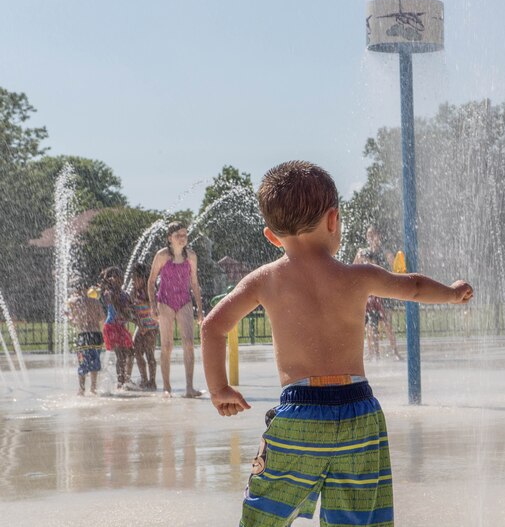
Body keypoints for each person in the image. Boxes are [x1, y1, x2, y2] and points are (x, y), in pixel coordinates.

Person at [202, 160, 473, 527]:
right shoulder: (358, 276)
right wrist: (452, 293)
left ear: (272, 236)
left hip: (300, 414)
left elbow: (213, 327)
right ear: (333, 220)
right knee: (357, 519)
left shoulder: (265, 280)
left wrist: (219, 389)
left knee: (263, 517)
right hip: (359, 413)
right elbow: (412, 286)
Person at [148, 221, 204, 398]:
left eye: (185, 234)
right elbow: (151, 281)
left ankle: (189, 388)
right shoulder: (162, 255)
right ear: (169, 238)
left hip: (184, 301)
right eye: (178, 235)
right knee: (167, 346)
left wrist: (200, 309)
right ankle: (167, 388)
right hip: (165, 302)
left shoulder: (191, 256)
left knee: (189, 344)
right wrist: (152, 305)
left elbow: (194, 283)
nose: (182, 238)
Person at [353, 226, 402, 360]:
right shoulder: (363, 252)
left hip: (383, 293)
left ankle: (395, 352)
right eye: (369, 235)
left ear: (378, 236)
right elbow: (353, 267)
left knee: (387, 323)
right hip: (371, 294)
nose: (371, 238)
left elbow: (393, 267)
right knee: (371, 325)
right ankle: (373, 353)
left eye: (373, 234)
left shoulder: (384, 252)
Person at [99, 266, 135, 390]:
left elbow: (130, 309)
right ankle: (120, 382)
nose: (117, 279)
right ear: (110, 280)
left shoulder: (125, 294)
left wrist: (132, 312)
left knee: (130, 352)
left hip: (120, 326)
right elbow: (116, 305)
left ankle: (125, 378)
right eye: (114, 277)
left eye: (119, 277)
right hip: (112, 326)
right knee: (120, 355)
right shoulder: (109, 293)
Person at [66, 280, 105, 395]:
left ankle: (82, 389)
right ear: (87, 289)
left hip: (84, 335)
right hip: (96, 335)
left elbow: (74, 321)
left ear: (77, 290)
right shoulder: (95, 301)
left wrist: (69, 317)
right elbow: (102, 317)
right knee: (95, 362)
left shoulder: (76, 302)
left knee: (82, 362)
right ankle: (93, 388)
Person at [130, 262, 159, 391]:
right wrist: (139, 323)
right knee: (136, 351)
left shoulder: (149, 290)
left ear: (142, 278)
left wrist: (148, 325)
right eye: (132, 279)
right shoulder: (134, 292)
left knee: (149, 353)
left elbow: (155, 308)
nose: (133, 281)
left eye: (135, 279)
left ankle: (152, 381)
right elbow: (133, 310)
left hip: (151, 326)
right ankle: (144, 379)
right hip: (141, 325)